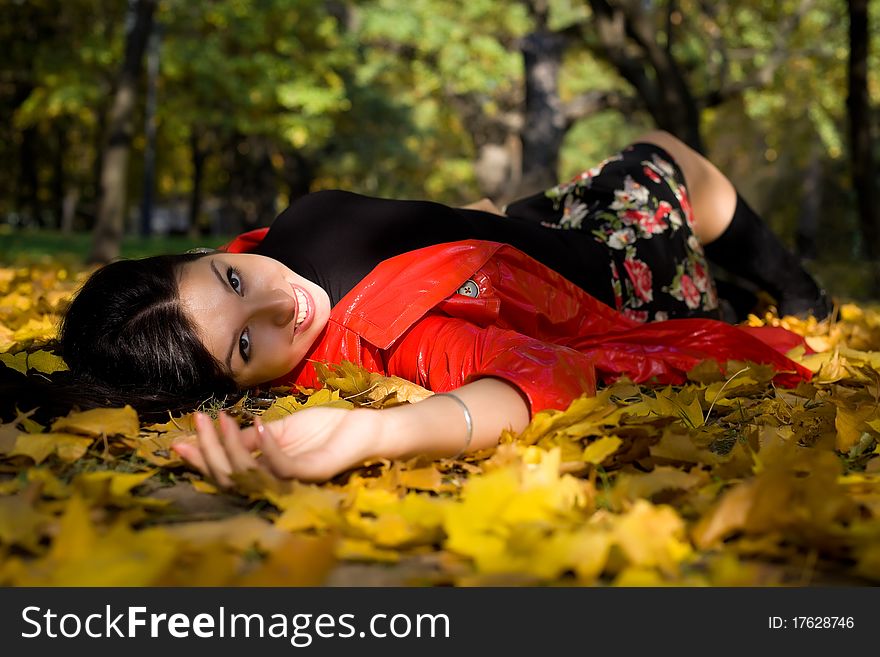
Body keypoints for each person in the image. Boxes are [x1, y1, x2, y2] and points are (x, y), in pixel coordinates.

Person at [56, 131, 828, 485]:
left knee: (641, 159)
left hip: (523, 236)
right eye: (249, 346)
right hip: (619, 274)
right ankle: (802, 298)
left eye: (230, 280)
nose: (279, 304)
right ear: (247, 383)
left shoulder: (278, 247)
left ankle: (770, 286)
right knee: (662, 160)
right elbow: (534, 374)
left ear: (205, 254)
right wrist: (377, 430)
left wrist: (468, 218)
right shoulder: (393, 332)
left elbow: (397, 229)